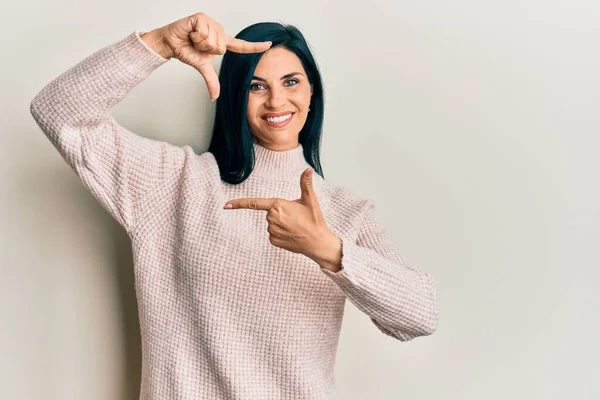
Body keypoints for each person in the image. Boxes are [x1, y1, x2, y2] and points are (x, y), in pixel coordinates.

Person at [30, 12, 439, 400]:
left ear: (312, 92)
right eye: (256, 86)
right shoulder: (173, 183)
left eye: (292, 82)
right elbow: (59, 112)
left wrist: (328, 249)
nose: (276, 101)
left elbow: (420, 316)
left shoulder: (345, 213)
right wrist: (158, 44)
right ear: (233, 96)